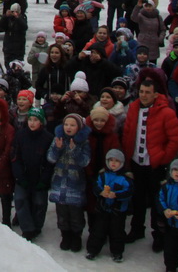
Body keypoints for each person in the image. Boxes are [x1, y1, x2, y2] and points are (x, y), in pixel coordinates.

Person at [122, 78, 178, 251]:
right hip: (136, 161)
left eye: (148, 92)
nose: (144, 95)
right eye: (141, 91)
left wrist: (163, 157)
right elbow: (127, 132)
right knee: (138, 198)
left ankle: (158, 234)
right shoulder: (134, 108)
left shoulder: (166, 112)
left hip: (154, 164)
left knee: (157, 201)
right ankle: (137, 229)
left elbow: (176, 139)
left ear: (156, 94)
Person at [48, 113, 91, 253]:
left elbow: (85, 161)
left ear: (78, 127)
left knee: (76, 214)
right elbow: (50, 158)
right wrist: (57, 148)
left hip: (75, 184)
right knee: (62, 213)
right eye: (66, 124)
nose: (69, 127)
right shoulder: (58, 139)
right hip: (59, 182)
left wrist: (74, 150)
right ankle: (65, 235)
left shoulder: (84, 141)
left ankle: (76, 236)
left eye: (72, 125)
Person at [11, 107, 53, 241]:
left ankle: (37, 226)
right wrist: (19, 176)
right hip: (23, 176)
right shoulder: (20, 135)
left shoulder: (48, 138)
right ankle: (27, 228)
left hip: (40, 177)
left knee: (39, 203)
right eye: (30, 119)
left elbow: (50, 162)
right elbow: (15, 157)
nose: (32, 123)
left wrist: (44, 179)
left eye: (35, 120)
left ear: (41, 122)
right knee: (20, 200)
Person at [85, 148, 132, 263]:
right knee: (98, 230)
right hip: (103, 208)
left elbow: (129, 192)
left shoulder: (126, 178)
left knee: (117, 232)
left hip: (118, 210)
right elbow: (96, 186)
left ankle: (117, 252)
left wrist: (116, 195)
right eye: (111, 160)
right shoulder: (103, 175)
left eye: (117, 161)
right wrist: (101, 192)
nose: (113, 163)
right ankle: (92, 250)